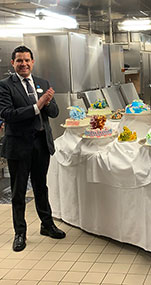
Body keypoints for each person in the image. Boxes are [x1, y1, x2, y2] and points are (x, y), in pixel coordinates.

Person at [0, 46, 66, 252]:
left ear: (33, 62)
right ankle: (20, 232)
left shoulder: (42, 83)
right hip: (19, 146)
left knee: (41, 187)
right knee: (19, 191)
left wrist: (48, 103)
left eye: (27, 60)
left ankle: (47, 225)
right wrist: (37, 105)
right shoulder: (4, 86)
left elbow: (54, 112)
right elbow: (7, 113)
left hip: (40, 144)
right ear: (13, 63)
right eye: (19, 61)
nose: (24, 64)